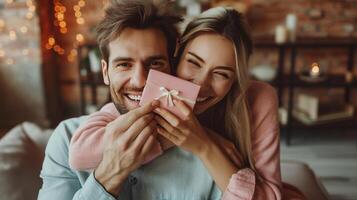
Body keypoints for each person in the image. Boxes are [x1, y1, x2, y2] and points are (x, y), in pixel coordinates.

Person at [39, 0, 305, 199]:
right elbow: (79, 154)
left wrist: (204, 144)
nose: (140, 80)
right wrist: (109, 174)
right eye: (123, 64)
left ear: (170, 63)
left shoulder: (213, 160)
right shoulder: (67, 138)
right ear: (105, 72)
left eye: (154, 63)